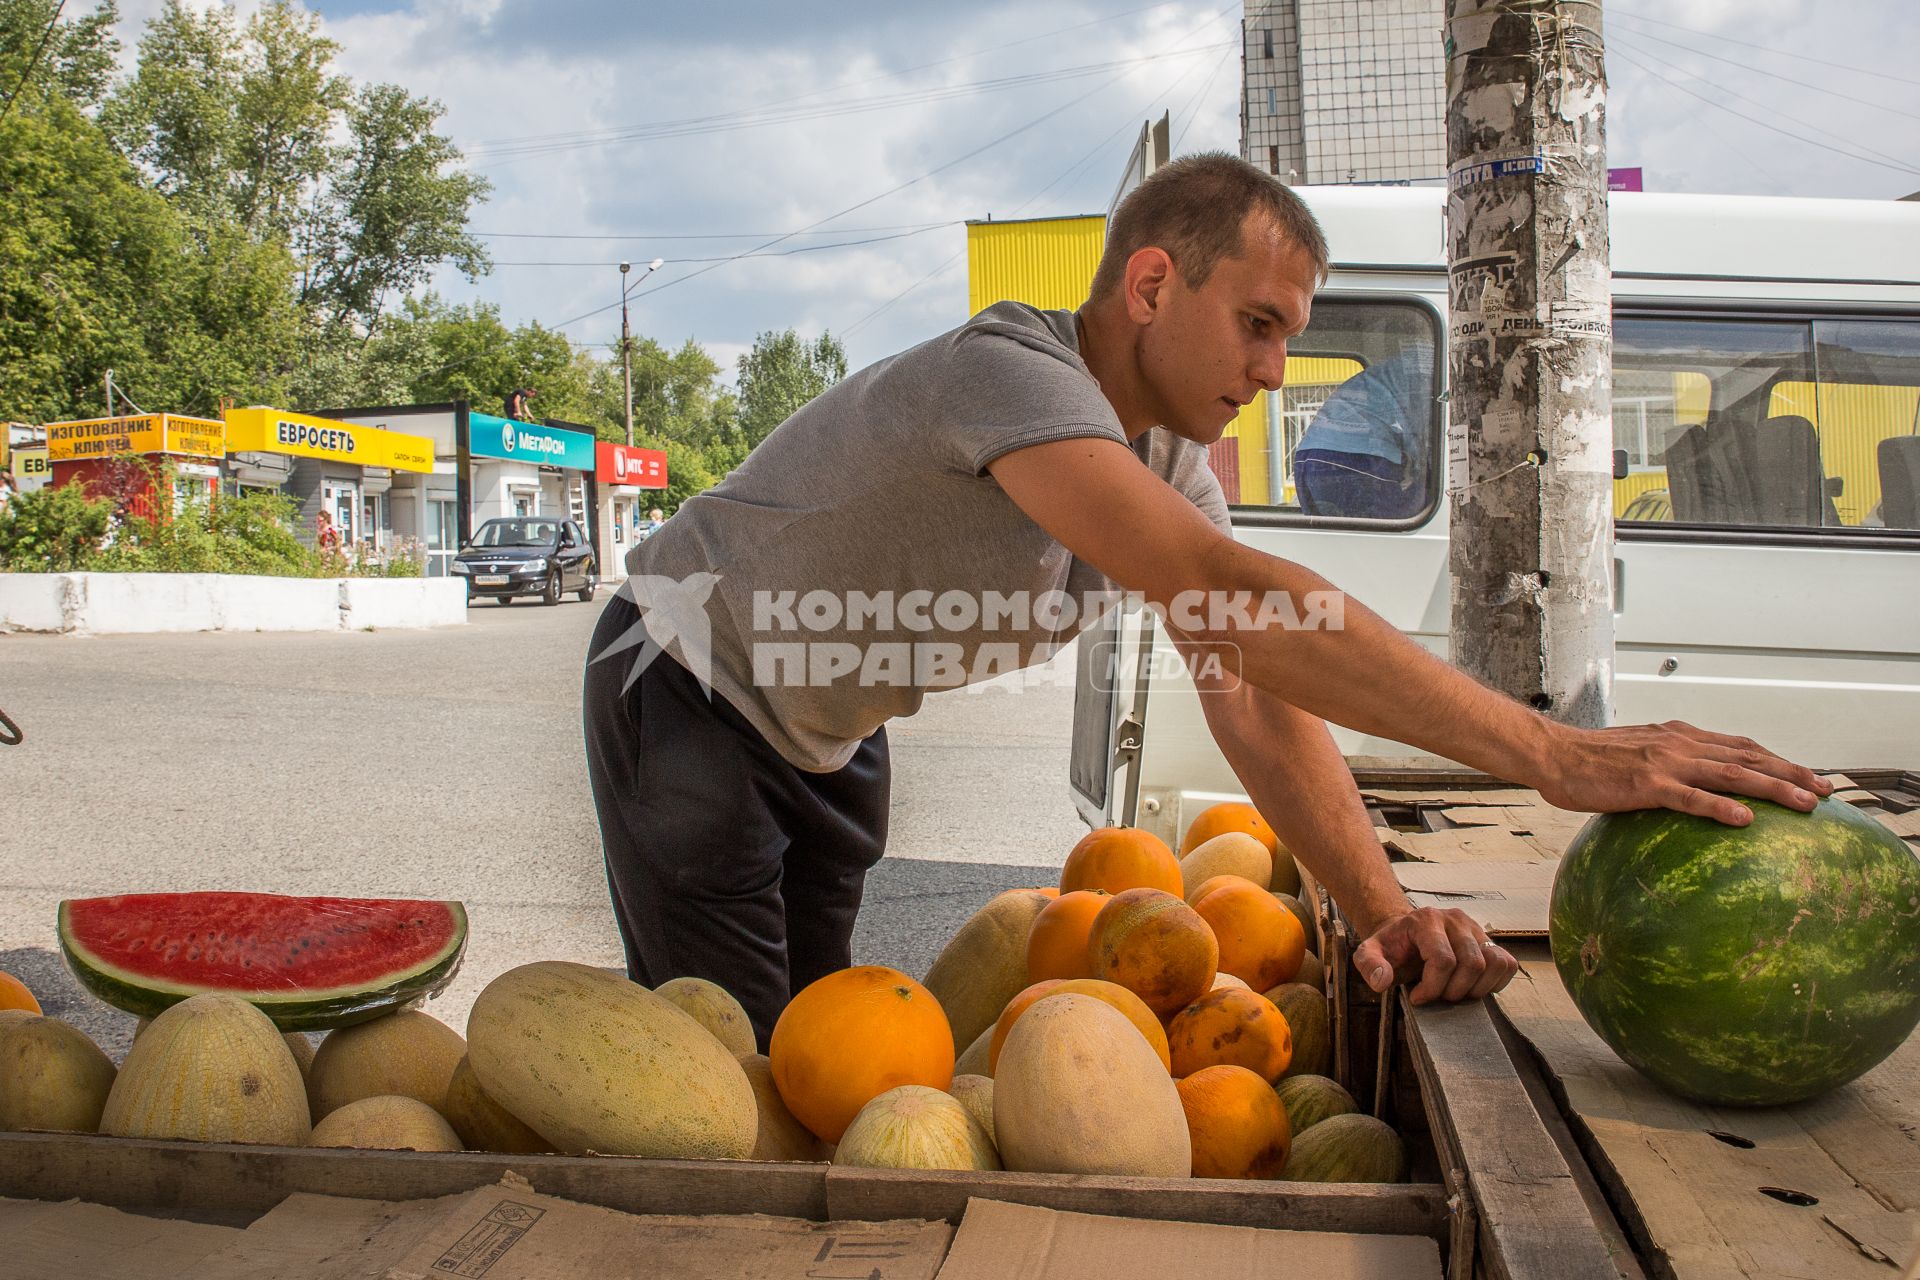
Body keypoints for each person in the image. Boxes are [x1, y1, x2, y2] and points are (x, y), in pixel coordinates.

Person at [582, 153, 1829, 1051]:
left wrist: (1387, 915)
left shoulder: (1166, 459)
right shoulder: (1007, 372)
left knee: (820, 1039)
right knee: (722, 1070)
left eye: (1290, 336)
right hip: (685, 683)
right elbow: (1237, 598)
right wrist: (1551, 752)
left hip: (827, 735)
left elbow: (1259, 689)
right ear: (1150, 285)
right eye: (1257, 324)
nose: (1276, 370)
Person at [1293, 344, 1435, 519]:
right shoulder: (1432, 374)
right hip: (1352, 458)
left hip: (1306, 458)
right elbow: (1425, 439)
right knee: (1405, 519)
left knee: (1337, 537)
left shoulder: (1399, 369)